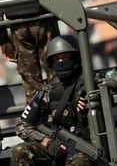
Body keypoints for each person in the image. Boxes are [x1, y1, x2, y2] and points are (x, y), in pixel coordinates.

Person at [11, 35, 94, 166]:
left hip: (86, 149)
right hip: (56, 149)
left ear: (75, 57)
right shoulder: (48, 90)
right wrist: (46, 141)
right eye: (56, 59)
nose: (61, 62)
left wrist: (91, 104)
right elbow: (22, 126)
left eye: (65, 57)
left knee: (80, 161)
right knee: (20, 150)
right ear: (51, 63)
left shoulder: (91, 83)